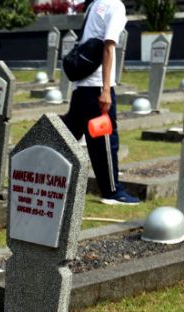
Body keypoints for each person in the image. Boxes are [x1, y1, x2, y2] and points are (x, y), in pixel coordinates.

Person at [60, 0, 139, 205]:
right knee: (105, 141)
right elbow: (108, 46)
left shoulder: (95, 4)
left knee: (68, 136)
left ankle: (40, 169)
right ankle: (112, 192)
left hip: (81, 86)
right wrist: (106, 90)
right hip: (96, 86)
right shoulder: (116, 6)